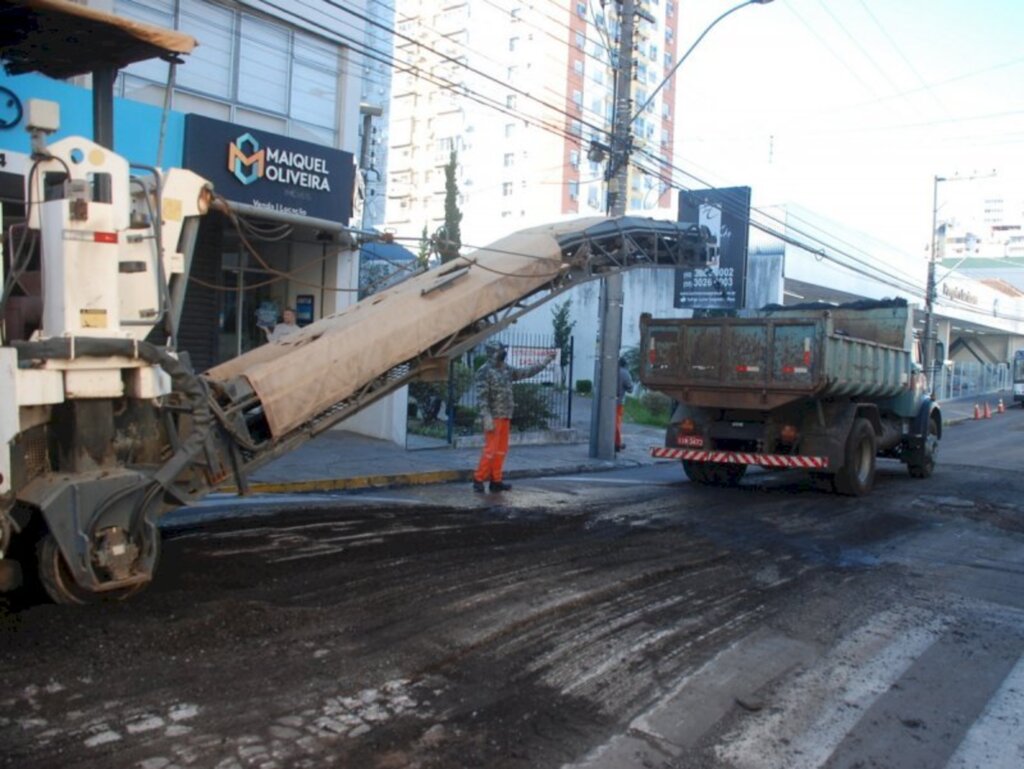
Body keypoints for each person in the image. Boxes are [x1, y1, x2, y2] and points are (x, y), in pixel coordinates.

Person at [473, 341, 556, 493]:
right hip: (493, 417)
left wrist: (545, 362)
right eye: (501, 350)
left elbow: (525, 372)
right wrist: (486, 417)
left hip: (505, 416)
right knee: (490, 450)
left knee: (501, 450)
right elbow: (481, 398)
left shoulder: (506, 369)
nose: (504, 352)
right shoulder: (484, 371)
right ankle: (478, 480)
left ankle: (496, 481)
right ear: (493, 352)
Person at [615, 356, 634, 452]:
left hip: (606, 401)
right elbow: (630, 389)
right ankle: (617, 443)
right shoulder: (625, 373)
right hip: (618, 402)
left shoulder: (611, 370)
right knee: (617, 423)